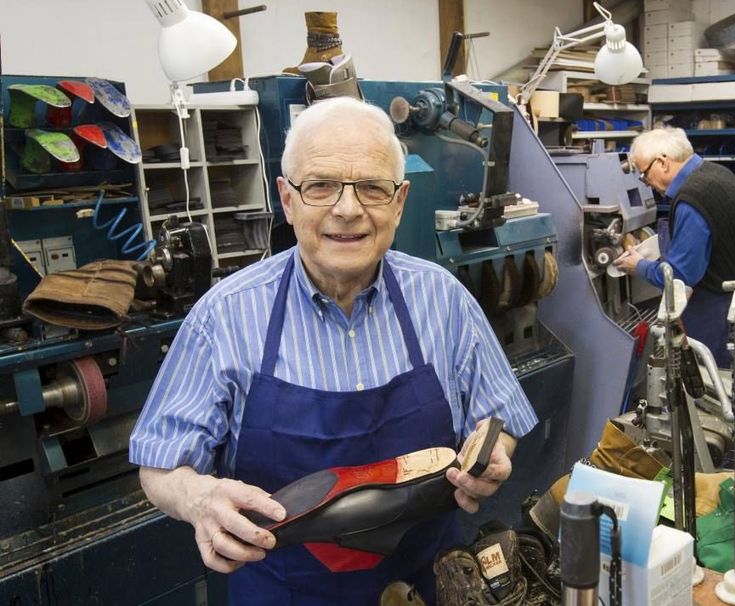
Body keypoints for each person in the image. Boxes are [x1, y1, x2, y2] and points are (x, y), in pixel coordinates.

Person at [129, 96, 538, 605]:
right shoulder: (225, 317)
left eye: (371, 187)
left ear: (399, 200)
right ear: (287, 198)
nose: (348, 209)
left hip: (429, 584)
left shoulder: (443, 298)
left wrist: (493, 457)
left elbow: (500, 420)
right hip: (284, 590)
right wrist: (199, 498)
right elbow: (160, 464)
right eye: (321, 185)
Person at [613, 127, 735, 367]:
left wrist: (639, 266)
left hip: (715, 316)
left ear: (662, 163)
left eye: (644, 174)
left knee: (711, 394)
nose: (646, 182)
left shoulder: (692, 198)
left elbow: (679, 277)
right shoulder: (717, 174)